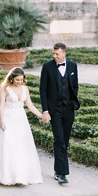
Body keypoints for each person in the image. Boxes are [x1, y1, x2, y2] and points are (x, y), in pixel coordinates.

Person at [38, 42, 79, 185]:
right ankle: (62, 174)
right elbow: (43, 90)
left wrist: (73, 104)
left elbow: (74, 86)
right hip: (54, 111)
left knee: (64, 141)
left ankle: (57, 169)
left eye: (57, 54)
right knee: (59, 139)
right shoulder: (47, 67)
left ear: (64, 53)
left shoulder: (73, 66)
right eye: (53, 54)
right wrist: (45, 110)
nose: (55, 56)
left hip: (68, 109)